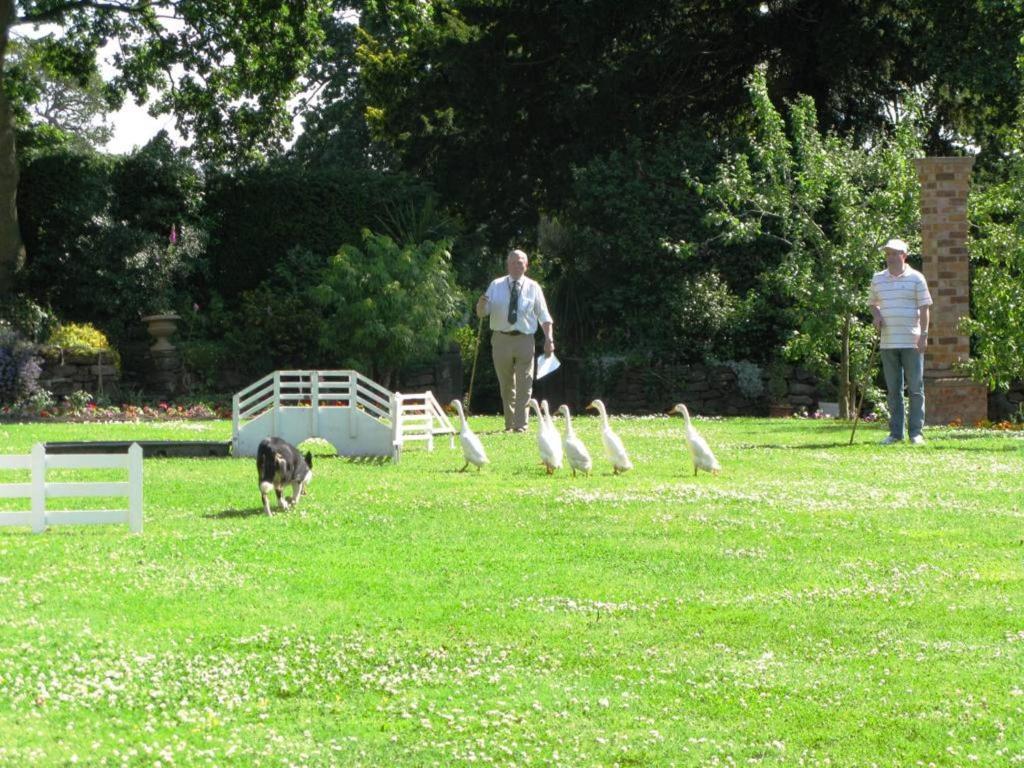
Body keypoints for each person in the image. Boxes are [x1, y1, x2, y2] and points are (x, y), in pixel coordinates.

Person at [475, 249, 555, 432]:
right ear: (507, 265)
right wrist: (480, 305)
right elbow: (482, 313)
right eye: (513, 262)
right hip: (501, 339)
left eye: (520, 262)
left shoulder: (534, 287)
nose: (516, 265)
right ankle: (509, 424)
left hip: (525, 340)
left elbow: (544, 316)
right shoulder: (495, 285)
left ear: (526, 266)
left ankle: (521, 425)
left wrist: (549, 339)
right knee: (506, 385)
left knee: (524, 383)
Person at [869, 237, 932, 445]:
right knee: (893, 390)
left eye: (895, 253)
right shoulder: (878, 278)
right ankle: (896, 433)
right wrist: (876, 315)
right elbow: (872, 303)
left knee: (915, 388)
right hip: (888, 342)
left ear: (904, 255)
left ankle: (916, 433)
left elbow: (925, 308)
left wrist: (924, 336)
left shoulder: (916, 278)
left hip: (912, 342)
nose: (890, 257)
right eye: (888, 254)